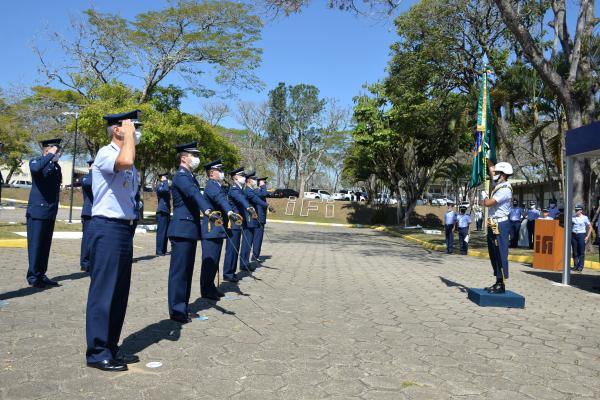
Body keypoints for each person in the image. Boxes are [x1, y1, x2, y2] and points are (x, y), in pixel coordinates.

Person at [85, 110, 142, 372]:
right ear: (117, 129)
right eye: (132, 126)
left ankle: (111, 346)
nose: (136, 131)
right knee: (104, 291)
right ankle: (97, 352)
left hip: (122, 229)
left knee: (119, 293)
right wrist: (128, 134)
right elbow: (126, 160)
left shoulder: (128, 160)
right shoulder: (106, 153)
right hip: (106, 227)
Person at [167, 142, 213, 323]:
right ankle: (177, 310)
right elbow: (194, 194)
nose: (196, 158)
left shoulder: (190, 176)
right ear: (183, 157)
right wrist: (207, 211)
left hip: (189, 229)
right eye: (193, 155)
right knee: (179, 273)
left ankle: (182, 307)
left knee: (186, 272)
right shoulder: (181, 176)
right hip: (182, 229)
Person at [200, 159, 243, 300]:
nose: (222, 172)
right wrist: (230, 212)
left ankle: (211, 287)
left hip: (217, 229)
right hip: (211, 229)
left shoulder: (218, 186)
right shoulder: (212, 186)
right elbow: (221, 200)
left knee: (214, 262)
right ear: (211, 173)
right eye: (219, 170)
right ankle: (206, 290)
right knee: (210, 262)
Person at [26, 138, 63, 288]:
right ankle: (33, 276)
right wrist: (49, 156)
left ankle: (41, 274)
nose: (58, 153)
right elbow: (36, 170)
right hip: (37, 212)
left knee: (45, 246)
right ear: (46, 150)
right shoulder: (36, 161)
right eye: (56, 150)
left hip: (49, 211)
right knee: (36, 245)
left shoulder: (56, 167)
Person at [480, 161, 514, 294]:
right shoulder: (499, 185)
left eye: (498, 173)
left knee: (500, 253)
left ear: (504, 175)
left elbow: (488, 203)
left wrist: (484, 198)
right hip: (493, 223)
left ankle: (501, 283)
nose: (495, 175)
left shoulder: (505, 189)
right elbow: (492, 170)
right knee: (493, 253)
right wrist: (488, 159)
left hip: (500, 224)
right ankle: (498, 280)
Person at [223, 167, 256, 283]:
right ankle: (228, 273)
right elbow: (241, 199)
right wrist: (248, 207)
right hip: (233, 223)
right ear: (235, 177)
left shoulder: (239, 188)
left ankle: (231, 272)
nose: (243, 177)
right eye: (241, 175)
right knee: (232, 249)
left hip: (239, 222)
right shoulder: (234, 190)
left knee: (235, 248)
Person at [241, 172, 269, 269]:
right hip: (250, 220)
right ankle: (245, 263)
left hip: (253, 220)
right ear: (249, 180)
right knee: (247, 242)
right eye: (254, 179)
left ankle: (246, 262)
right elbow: (259, 198)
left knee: (248, 242)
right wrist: (268, 205)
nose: (256, 181)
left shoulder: (251, 190)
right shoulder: (250, 191)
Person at [254, 177, 275, 260]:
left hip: (261, 217)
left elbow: (266, 194)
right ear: (259, 183)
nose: (265, 184)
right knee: (257, 238)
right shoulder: (256, 191)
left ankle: (256, 255)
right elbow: (264, 194)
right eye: (264, 183)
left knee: (259, 238)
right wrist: (263, 186)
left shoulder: (260, 191)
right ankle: (255, 256)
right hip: (258, 217)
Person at [80, 159, 94, 272]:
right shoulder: (86, 178)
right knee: (87, 239)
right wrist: (93, 172)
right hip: (88, 213)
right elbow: (89, 184)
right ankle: (85, 263)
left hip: (98, 213)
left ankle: (93, 261)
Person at [571, 204, 591, 272]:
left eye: (577, 210)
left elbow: (590, 227)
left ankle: (580, 266)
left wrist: (587, 236)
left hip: (581, 235)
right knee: (574, 251)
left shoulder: (584, 218)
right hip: (573, 235)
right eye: (575, 210)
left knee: (581, 252)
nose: (576, 211)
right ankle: (575, 266)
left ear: (581, 211)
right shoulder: (573, 217)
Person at [155, 172, 171, 256]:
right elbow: (166, 190)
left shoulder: (165, 185)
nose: (167, 179)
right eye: (165, 177)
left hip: (166, 211)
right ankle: (159, 251)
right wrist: (165, 182)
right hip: (161, 211)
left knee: (166, 232)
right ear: (161, 178)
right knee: (161, 232)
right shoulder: (159, 186)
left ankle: (163, 250)